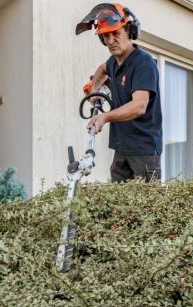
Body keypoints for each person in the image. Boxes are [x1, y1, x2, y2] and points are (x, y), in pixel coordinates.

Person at [76, 3, 163, 183]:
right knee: (120, 208)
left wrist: (104, 117)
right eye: (106, 36)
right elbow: (101, 70)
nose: (110, 40)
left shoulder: (143, 63)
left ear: (130, 32)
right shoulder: (113, 62)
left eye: (116, 33)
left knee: (146, 208)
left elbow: (140, 105)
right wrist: (94, 91)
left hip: (144, 151)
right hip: (121, 147)